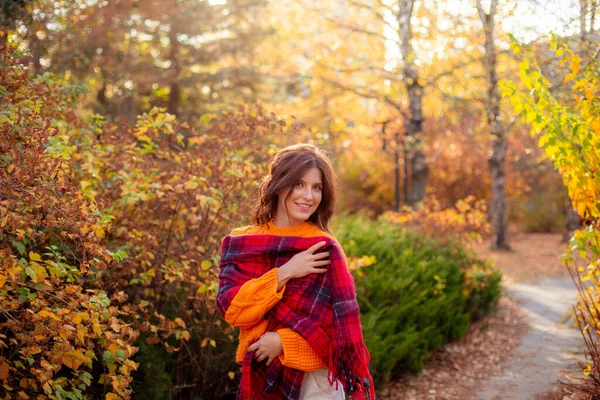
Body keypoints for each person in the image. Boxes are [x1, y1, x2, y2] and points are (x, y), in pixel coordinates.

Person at [216, 143, 374, 400]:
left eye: (317, 187)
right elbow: (233, 310)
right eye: (299, 184)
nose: (308, 196)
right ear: (278, 185)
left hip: (316, 382)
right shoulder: (242, 243)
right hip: (261, 374)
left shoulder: (324, 247)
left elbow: (338, 332)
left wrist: (283, 342)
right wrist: (284, 273)